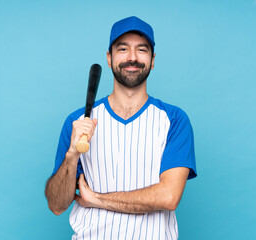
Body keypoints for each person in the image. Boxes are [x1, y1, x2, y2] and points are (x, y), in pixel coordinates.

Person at [45, 16, 197, 239]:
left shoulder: (174, 120)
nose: (132, 57)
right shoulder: (77, 122)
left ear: (153, 60)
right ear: (109, 58)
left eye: (142, 50)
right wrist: (72, 154)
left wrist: (97, 199)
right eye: (123, 49)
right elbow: (57, 205)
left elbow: (168, 197)